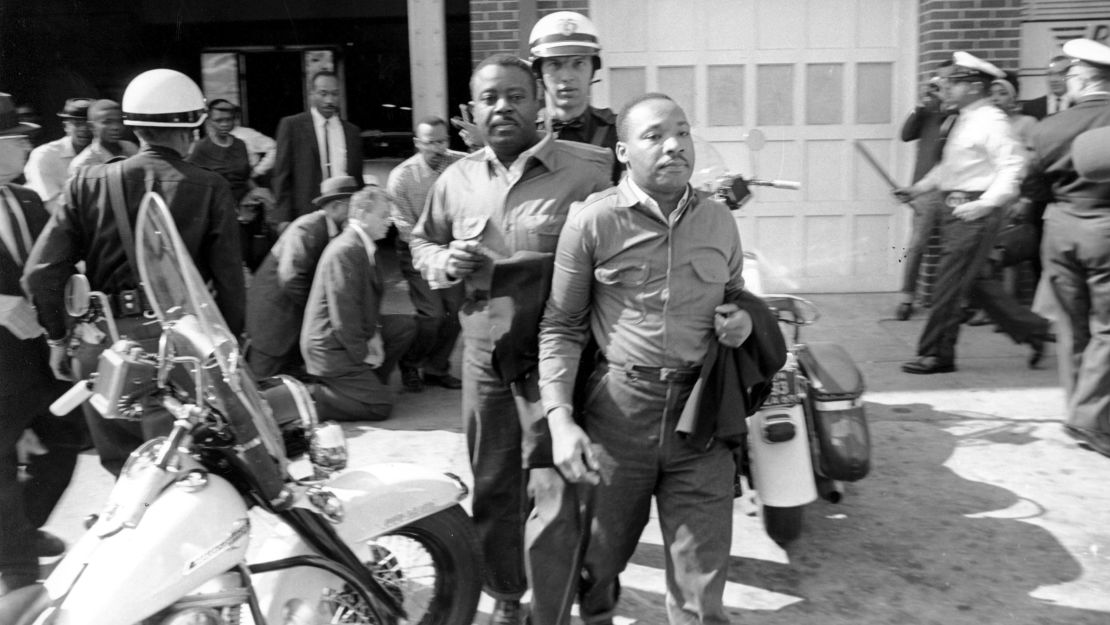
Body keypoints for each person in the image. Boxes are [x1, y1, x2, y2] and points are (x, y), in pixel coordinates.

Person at [536, 93, 756, 625]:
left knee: (701, 589)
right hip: (619, 413)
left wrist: (743, 320)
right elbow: (560, 326)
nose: (675, 144)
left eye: (682, 131)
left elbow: (736, 292)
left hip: (699, 418)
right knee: (598, 561)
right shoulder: (592, 223)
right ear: (622, 150)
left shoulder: (719, 223)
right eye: (654, 135)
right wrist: (560, 420)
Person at [410, 53, 612, 625]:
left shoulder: (589, 171)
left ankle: (573, 596)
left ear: (539, 103)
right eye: (490, 98)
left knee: (561, 481)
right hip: (484, 354)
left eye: (516, 95)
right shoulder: (454, 180)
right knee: (495, 480)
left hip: (559, 355)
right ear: (473, 111)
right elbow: (422, 244)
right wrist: (444, 261)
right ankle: (506, 594)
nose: (502, 107)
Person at [23, 69, 245, 477]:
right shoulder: (209, 186)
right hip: (176, 347)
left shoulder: (86, 180)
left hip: (101, 344)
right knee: (177, 472)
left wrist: (58, 337)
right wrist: (230, 345)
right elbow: (230, 282)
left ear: (134, 126)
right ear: (191, 129)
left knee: (126, 475)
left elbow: (40, 272)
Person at [894, 52, 1049, 375]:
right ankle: (1033, 330)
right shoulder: (962, 118)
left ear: (975, 86)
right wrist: (918, 189)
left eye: (953, 83)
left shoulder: (992, 121)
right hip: (956, 205)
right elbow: (948, 168)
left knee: (948, 285)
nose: (945, 89)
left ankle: (936, 354)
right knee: (975, 282)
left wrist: (987, 203)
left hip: (974, 210)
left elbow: (1013, 166)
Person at [0, 97, 82, 595]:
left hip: (38, 360)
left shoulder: (28, 201)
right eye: (20, 140)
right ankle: (16, 567)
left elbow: (52, 266)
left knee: (65, 443)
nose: (30, 147)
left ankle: (19, 534)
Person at [1022, 38, 1110, 457]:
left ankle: (1080, 414)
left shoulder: (1046, 128)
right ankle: (1089, 419)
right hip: (1105, 229)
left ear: (1080, 78)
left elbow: (1032, 185)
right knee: (1107, 330)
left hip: (1059, 228)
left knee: (1072, 326)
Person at [301, 185, 416, 422]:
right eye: (384, 215)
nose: (390, 221)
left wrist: (374, 335)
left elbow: (363, 305)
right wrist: (364, 354)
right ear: (362, 215)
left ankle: (366, 384)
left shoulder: (360, 246)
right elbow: (344, 316)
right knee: (380, 408)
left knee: (404, 326)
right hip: (330, 348)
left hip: (345, 339)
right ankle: (309, 398)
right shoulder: (346, 250)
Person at [247, 175, 358, 379]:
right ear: (335, 206)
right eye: (353, 206)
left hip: (290, 323)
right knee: (261, 384)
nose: (357, 213)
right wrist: (319, 307)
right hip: (274, 323)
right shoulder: (307, 228)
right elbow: (290, 277)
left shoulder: (331, 230)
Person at [386, 116, 466, 393]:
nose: (437, 148)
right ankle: (410, 362)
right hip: (417, 251)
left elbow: (488, 160)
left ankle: (436, 368)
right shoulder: (401, 177)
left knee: (457, 312)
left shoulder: (460, 163)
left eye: (442, 141)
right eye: (430, 142)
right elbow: (405, 227)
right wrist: (434, 254)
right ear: (417, 143)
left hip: (452, 248)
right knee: (432, 314)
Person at [528, 10, 621, 182]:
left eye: (578, 63)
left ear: (592, 70)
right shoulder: (526, 132)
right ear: (539, 72)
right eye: (555, 64)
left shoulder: (616, 133)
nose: (567, 76)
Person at [895, 62, 956, 320]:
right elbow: (906, 134)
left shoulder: (961, 114)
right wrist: (921, 105)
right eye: (939, 80)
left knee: (955, 248)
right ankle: (907, 298)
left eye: (948, 80)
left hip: (956, 188)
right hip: (926, 189)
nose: (943, 85)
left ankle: (953, 301)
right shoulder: (928, 111)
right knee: (917, 244)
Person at [272, 70, 364, 232]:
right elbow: (281, 176)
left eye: (335, 94)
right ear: (312, 93)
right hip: (305, 216)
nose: (329, 100)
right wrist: (283, 218)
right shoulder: (292, 126)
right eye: (323, 94)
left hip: (345, 218)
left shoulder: (352, 132)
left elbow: (357, 179)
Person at [23, 97, 93, 214]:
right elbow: (53, 205)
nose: (84, 129)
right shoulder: (44, 155)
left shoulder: (108, 152)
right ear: (66, 126)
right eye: (77, 123)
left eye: (89, 124)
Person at [186, 99, 252, 203]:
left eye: (228, 120)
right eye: (218, 120)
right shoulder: (202, 147)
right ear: (209, 121)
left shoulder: (240, 145)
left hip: (244, 203)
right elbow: (190, 178)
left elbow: (247, 178)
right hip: (216, 203)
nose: (224, 124)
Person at [66, 99, 139, 175]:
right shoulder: (82, 165)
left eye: (120, 121)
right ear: (91, 126)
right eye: (107, 122)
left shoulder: (131, 149)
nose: (115, 127)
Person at [229, 108, 277, 184]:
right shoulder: (212, 138)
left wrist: (258, 170)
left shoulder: (247, 134)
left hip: (247, 180)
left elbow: (274, 148)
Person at [1021, 55, 1072, 120]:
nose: (1054, 79)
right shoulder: (1030, 107)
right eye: (1050, 74)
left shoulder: (1081, 106)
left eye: (1061, 74)